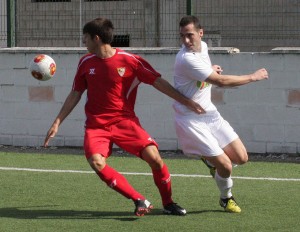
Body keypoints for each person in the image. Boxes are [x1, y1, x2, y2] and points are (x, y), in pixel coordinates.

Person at [44, 17, 204, 217]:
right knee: (97, 162)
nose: (83, 42)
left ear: (96, 38)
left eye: (85, 38)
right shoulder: (85, 62)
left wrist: (186, 101)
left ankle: (168, 202)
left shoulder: (130, 61)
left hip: (124, 122)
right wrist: (57, 122)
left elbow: (157, 82)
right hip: (96, 126)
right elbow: (75, 93)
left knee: (155, 158)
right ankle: (139, 199)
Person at [173, 16, 269, 213]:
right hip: (191, 119)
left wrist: (210, 70)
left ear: (201, 33)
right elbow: (222, 82)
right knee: (226, 166)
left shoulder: (204, 48)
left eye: (190, 36)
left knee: (241, 158)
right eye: (182, 37)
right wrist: (253, 77)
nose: (186, 41)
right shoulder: (186, 58)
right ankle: (226, 198)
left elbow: (206, 76)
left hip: (209, 113)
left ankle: (211, 160)